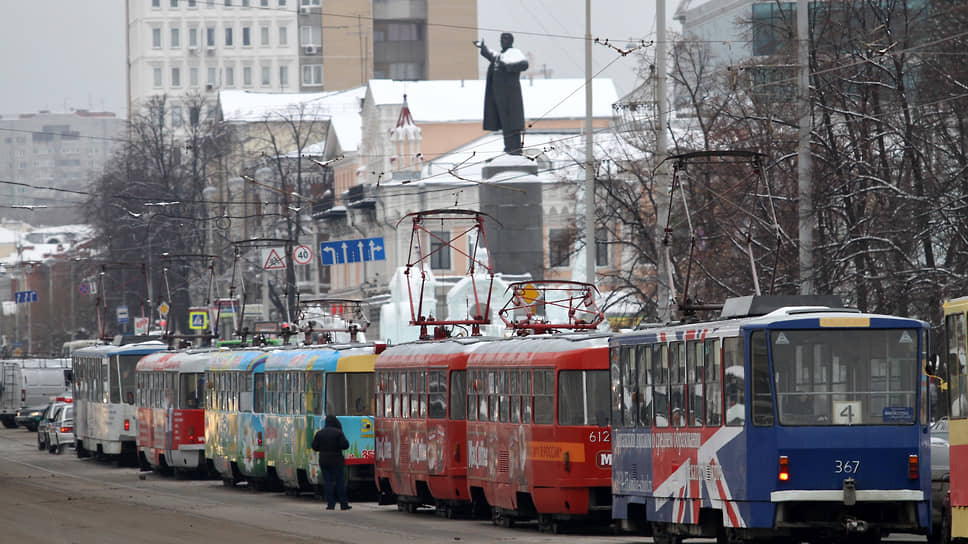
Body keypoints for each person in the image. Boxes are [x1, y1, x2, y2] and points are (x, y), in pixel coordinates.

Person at [474, 32, 529, 155]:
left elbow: (524, 64)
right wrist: (483, 48)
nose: (502, 41)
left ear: (511, 41)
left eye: (505, 39)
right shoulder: (501, 55)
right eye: (501, 39)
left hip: (511, 95)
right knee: (505, 123)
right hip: (499, 95)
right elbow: (493, 56)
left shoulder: (514, 53)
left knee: (512, 123)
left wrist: (507, 65)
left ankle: (515, 149)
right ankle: (509, 147)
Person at [312, 414, 351, 510]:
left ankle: (330, 504)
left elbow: (314, 447)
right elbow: (345, 445)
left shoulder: (320, 433)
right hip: (337, 460)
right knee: (339, 482)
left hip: (324, 461)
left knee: (327, 482)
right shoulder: (338, 433)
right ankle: (343, 504)